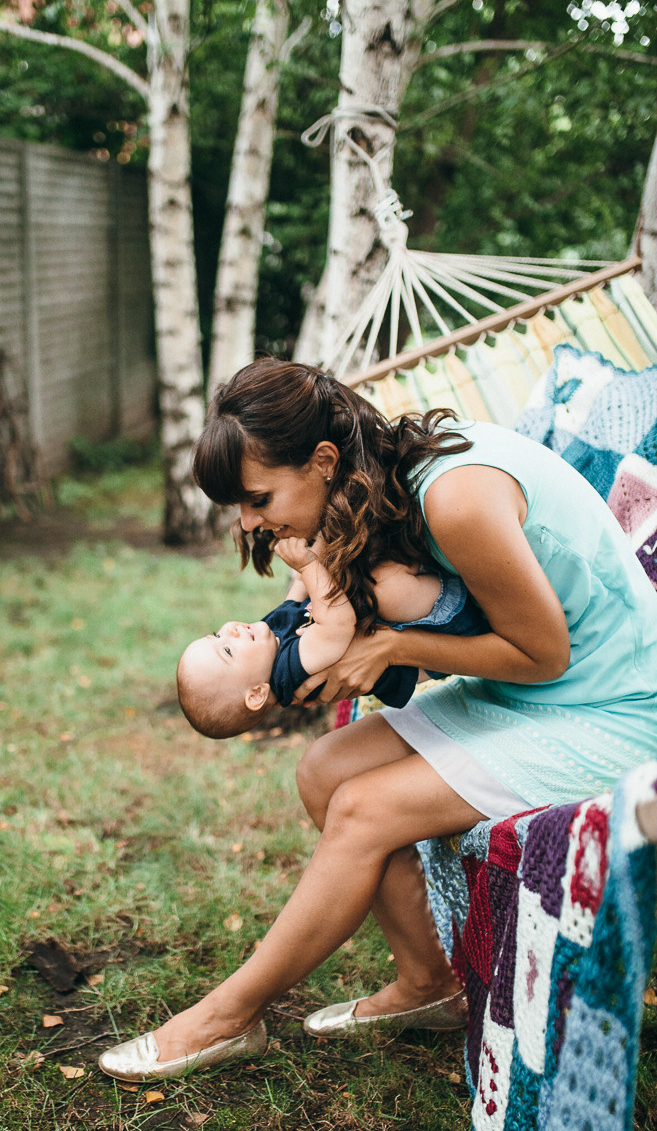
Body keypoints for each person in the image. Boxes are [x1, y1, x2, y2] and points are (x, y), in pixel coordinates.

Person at [99, 358, 657, 1082]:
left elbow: (543, 653)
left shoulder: (453, 495)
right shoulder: (380, 483)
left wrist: (391, 646)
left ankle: (225, 1018)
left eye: (257, 497)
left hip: (618, 706)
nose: (248, 522)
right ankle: (429, 985)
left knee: (363, 809)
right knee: (325, 770)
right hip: (541, 691)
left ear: (323, 459)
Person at [177, 533, 489, 739]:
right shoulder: (290, 673)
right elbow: (338, 624)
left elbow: (296, 597)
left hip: (413, 620)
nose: (229, 631)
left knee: (375, 576)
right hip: (443, 628)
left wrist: (319, 541)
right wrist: (309, 564)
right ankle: (476, 591)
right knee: (385, 584)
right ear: (257, 694)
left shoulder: (266, 642)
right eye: (228, 650)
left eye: (216, 634)